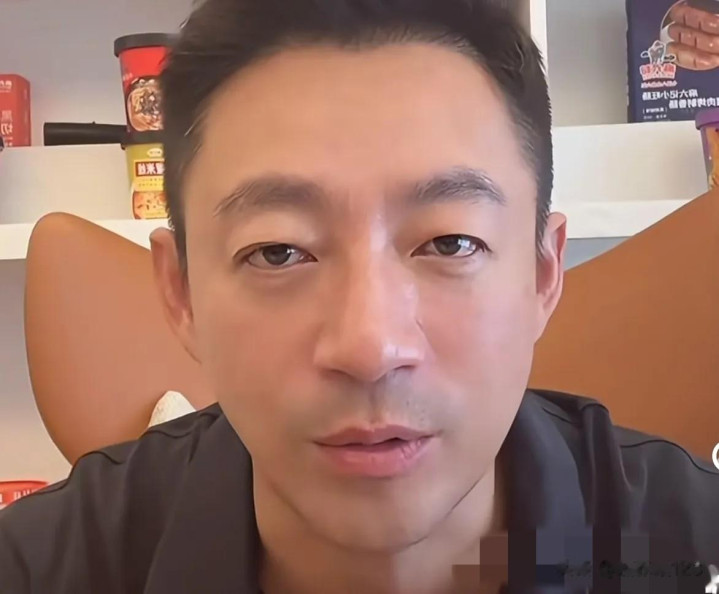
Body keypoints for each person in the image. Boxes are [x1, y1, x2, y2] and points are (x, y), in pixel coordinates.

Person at [1, 0, 719, 592]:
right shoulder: (42, 568)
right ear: (180, 291)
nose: (371, 347)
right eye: (278, 252)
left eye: (450, 243)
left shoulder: (692, 549)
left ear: (541, 274)